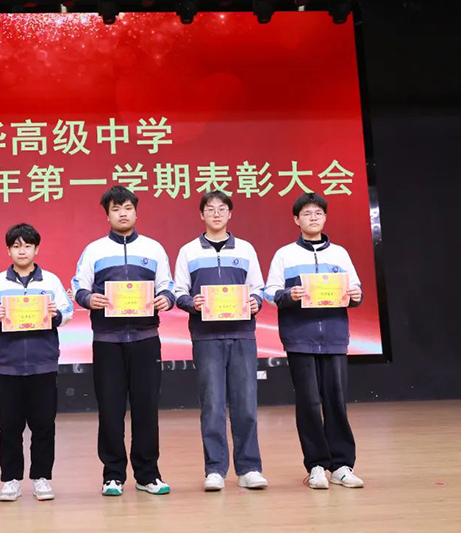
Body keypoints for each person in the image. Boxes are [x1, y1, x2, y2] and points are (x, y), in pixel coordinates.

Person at [71, 186, 175, 496]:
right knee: (110, 409)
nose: (123, 213)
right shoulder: (94, 250)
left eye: (127, 208)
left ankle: (147, 474)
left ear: (136, 212)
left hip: (146, 339)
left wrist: (165, 299)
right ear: (107, 216)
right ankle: (113, 475)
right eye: (116, 209)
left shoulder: (153, 249)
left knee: (146, 408)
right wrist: (90, 299)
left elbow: (167, 286)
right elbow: (78, 287)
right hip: (107, 341)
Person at [265, 192, 364, 490]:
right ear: (296, 220)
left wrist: (355, 295)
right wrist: (289, 295)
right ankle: (316, 465)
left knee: (336, 401)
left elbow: (355, 289)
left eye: (318, 213)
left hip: (334, 337)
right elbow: (270, 292)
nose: (313, 218)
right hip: (300, 338)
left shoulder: (340, 254)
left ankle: (342, 465)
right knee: (308, 403)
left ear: (325, 218)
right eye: (306, 213)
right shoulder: (285, 254)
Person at [173, 191, 268, 492]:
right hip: (206, 337)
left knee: (246, 405)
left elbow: (259, 289)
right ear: (201, 214)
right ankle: (215, 469)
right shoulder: (188, 251)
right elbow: (178, 292)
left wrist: (254, 302)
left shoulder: (246, 249)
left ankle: (249, 468)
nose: (216, 213)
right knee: (212, 405)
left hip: (242, 334)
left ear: (230, 214)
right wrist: (192, 302)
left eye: (222, 209)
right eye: (210, 209)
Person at [0, 223, 73, 502]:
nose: (22, 251)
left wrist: (55, 314)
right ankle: (11, 480)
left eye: (27, 246)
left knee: (44, 425)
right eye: (16, 246)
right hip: (9, 365)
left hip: (43, 364)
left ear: (36, 249)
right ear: (8, 250)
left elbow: (67, 311)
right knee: (9, 427)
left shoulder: (50, 281)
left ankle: (42, 478)